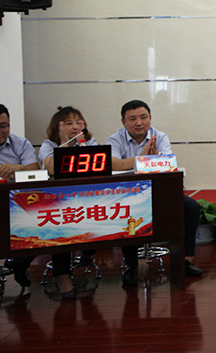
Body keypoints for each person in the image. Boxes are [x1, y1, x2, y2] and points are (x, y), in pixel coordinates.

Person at [107, 99, 203, 286]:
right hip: (129, 195)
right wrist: (142, 157)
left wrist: (157, 157)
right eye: (132, 119)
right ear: (123, 122)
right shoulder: (115, 139)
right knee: (128, 212)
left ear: (150, 118)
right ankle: (131, 265)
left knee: (191, 208)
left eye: (143, 117)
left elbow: (169, 165)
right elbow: (113, 164)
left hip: (158, 191)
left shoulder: (160, 136)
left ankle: (185, 259)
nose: (139, 122)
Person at [39, 106, 99, 298]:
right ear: (57, 127)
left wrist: (81, 144)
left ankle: (86, 254)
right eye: (69, 123)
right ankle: (62, 275)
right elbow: (51, 168)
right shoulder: (48, 145)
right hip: (59, 204)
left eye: (79, 122)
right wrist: (64, 142)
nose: (75, 127)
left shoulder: (89, 143)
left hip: (87, 200)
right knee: (62, 228)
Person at [1, 103, 39, 288]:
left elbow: (34, 169)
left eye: (4, 126)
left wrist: (16, 168)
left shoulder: (20, 143)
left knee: (42, 222)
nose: (0, 131)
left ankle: (20, 264)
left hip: (17, 204)